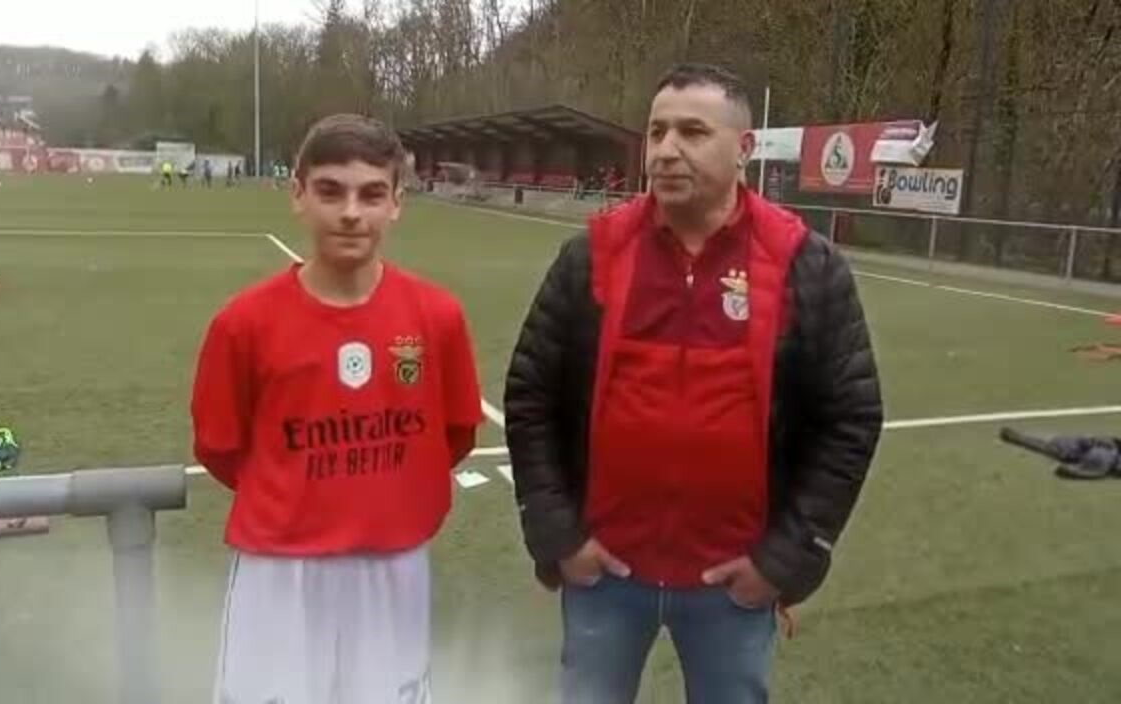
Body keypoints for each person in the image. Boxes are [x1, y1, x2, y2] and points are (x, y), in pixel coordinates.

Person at [504, 63, 884, 704]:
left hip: (733, 584)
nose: (666, 150)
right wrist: (559, 536)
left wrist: (783, 561)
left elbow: (851, 418)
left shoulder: (806, 266)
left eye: (691, 131)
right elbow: (530, 395)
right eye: (656, 132)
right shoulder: (592, 255)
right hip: (604, 573)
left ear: (744, 149)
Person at [191, 113, 483, 704]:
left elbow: (453, 434)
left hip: (393, 565)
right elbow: (220, 449)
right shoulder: (242, 324)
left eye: (372, 194)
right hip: (280, 571)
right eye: (330, 191)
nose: (352, 212)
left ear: (397, 203)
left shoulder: (438, 317)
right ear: (297, 194)